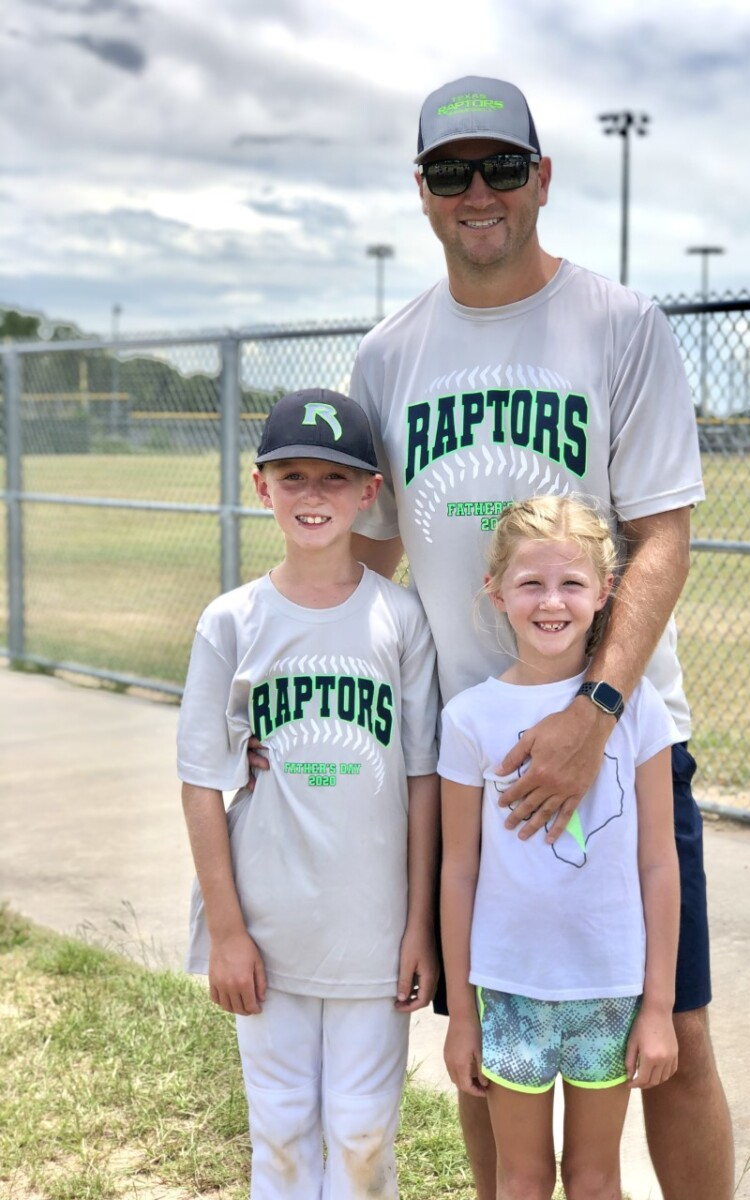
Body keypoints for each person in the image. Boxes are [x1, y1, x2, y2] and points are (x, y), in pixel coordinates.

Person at [346, 76, 735, 1200]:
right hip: (472, 763)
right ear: (421, 193)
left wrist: (594, 713)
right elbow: (368, 568)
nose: (479, 193)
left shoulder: (620, 324)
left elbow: (662, 539)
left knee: (675, 1040)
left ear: (542, 179)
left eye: (501, 167)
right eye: (451, 172)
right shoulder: (390, 355)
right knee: (488, 1062)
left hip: (618, 744)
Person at [177, 388, 440, 1200]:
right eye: (294, 476)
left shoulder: (399, 618)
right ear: (263, 487)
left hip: (373, 929)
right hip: (268, 926)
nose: (314, 495)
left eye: (336, 477)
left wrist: (419, 926)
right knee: (282, 1128)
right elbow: (199, 781)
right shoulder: (232, 621)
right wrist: (226, 932)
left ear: (370, 493)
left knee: (364, 1134)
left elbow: (425, 780)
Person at [440, 495, 681, 1200]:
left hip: (607, 989)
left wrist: (660, 1009)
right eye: (531, 583)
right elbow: (458, 870)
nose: (552, 602)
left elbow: (659, 863)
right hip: (510, 990)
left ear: (605, 592)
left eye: (573, 583)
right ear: (497, 592)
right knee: (519, 1178)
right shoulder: (471, 718)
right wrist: (462, 1017)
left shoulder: (639, 710)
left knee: (594, 1177)